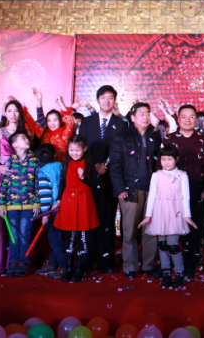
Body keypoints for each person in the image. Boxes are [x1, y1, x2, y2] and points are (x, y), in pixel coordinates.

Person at [79, 86, 129, 274]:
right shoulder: (86, 122)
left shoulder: (121, 124)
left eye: (110, 98)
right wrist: (93, 167)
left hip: (110, 181)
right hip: (89, 180)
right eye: (103, 98)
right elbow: (79, 149)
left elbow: (124, 154)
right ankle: (87, 258)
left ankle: (106, 260)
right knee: (89, 220)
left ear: (115, 101)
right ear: (97, 100)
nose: (107, 101)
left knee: (108, 221)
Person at [162, 104, 204, 278]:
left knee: (192, 228)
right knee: (171, 229)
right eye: (184, 117)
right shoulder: (168, 139)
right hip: (170, 190)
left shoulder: (202, 140)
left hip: (194, 190)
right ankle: (171, 263)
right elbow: (159, 166)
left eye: (191, 117)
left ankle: (191, 264)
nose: (187, 120)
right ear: (178, 119)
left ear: (196, 120)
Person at [109, 102, 162, 279]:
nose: (145, 117)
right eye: (141, 113)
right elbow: (115, 165)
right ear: (132, 117)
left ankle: (148, 265)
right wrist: (120, 188)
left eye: (148, 113)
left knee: (150, 229)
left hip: (152, 190)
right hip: (131, 189)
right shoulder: (121, 137)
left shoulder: (156, 136)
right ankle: (130, 266)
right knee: (129, 230)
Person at [138, 144, 196, 289]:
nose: (166, 162)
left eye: (169, 159)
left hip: (175, 214)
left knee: (173, 244)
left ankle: (179, 272)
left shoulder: (182, 175)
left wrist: (187, 216)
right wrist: (148, 215)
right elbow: (152, 196)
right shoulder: (156, 175)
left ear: (176, 159)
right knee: (162, 244)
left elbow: (186, 197)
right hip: (160, 213)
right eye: (163, 159)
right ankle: (166, 272)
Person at [0, 99, 26, 275]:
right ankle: (1, 261)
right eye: (9, 111)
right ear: (5, 113)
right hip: (3, 176)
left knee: (19, 220)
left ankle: (16, 261)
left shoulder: (26, 132)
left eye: (16, 111)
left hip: (21, 179)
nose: (13, 114)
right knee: (2, 218)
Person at [54, 136, 100, 283]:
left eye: (77, 150)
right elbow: (63, 182)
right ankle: (69, 269)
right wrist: (58, 200)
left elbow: (94, 184)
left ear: (84, 149)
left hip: (84, 202)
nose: (74, 153)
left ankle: (80, 269)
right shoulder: (66, 163)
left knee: (82, 237)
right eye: (71, 150)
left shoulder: (89, 163)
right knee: (69, 236)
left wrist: (83, 178)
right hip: (68, 201)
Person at [0, 131, 41, 277]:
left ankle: (23, 262)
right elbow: (2, 184)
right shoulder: (10, 162)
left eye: (27, 138)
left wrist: (37, 203)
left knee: (25, 234)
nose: (27, 140)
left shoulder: (35, 161)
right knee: (13, 235)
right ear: (14, 145)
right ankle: (13, 262)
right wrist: (1, 205)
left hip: (29, 206)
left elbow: (38, 183)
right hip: (11, 206)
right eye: (23, 138)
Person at [36, 144, 65, 279]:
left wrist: (44, 214)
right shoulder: (62, 166)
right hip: (64, 207)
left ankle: (63, 266)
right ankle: (53, 263)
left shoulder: (43, 172)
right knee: (60, 238)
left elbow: (45, 195)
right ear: (54, 155)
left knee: (55, 240)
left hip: (52, 211)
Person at [24, 89, 78, 162]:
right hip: (45, 165)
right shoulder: (44, 132)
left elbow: (69, 120)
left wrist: (61, 104)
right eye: (49, 121)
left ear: (60, 121)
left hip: (62, 165)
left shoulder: (65, 132)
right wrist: (39, 100)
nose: (52, 124)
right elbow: (39, 119)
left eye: (55, 120)